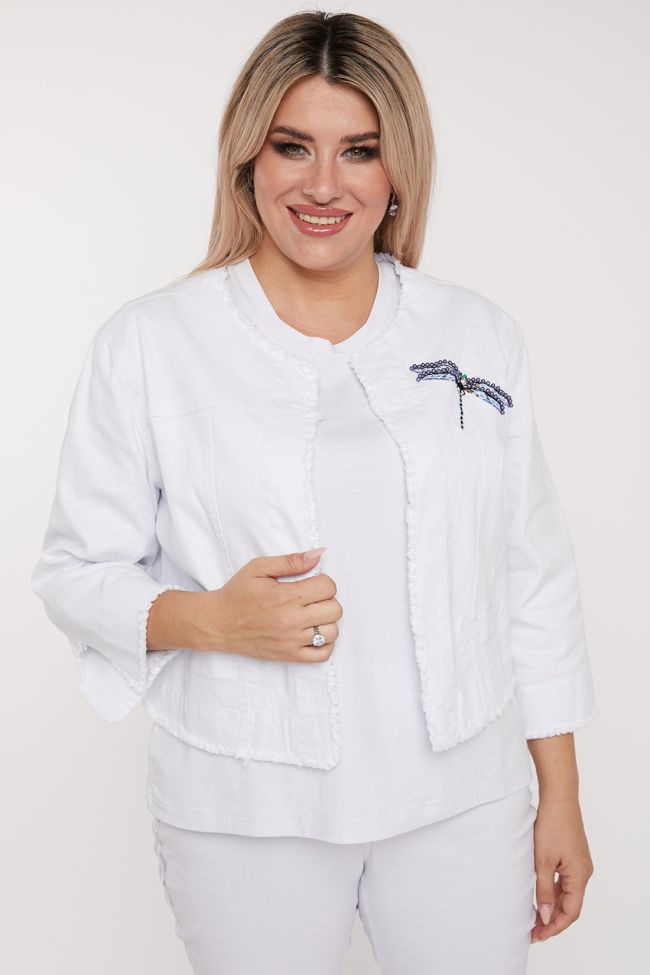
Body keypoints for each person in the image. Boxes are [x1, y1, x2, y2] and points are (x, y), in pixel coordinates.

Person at [31, 10, 598, 975]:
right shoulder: (153, 343)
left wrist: (562, 797)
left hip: (463, 797)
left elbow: (531, 576)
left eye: (359, 150)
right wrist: (212, 619)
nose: (324, 184)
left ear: (398, 168)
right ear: (247, 158)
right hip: (247, 804)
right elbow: (75, 571)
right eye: (293, 146)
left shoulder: (476, 335)